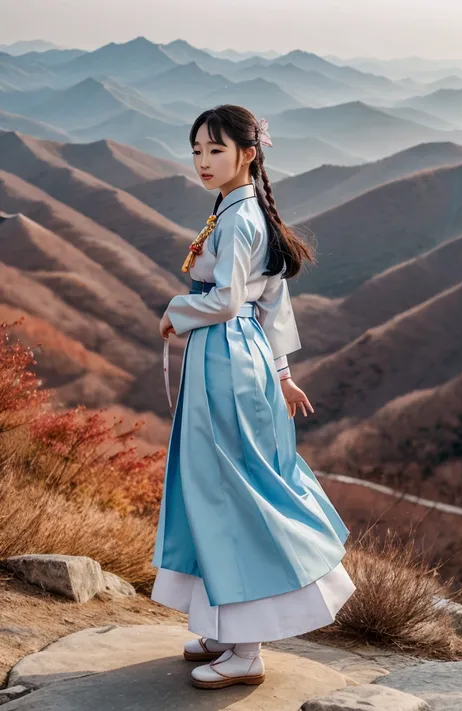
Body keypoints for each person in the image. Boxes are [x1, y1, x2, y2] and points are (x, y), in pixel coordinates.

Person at [151, 104, 356, 690]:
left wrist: (175, 312)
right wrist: (283, 372)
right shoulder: (241, 209)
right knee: (222, 486)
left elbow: (223, 301)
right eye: (196, 151)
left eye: (215, 150)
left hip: (224, 356)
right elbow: (272, 304)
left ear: (248, 153)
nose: (202, 162)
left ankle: (245, 650)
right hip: (235, 356)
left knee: (228, 491)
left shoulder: (240, 218)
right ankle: (226, 629)